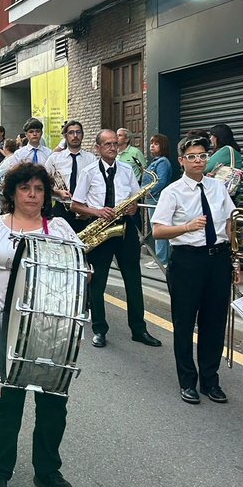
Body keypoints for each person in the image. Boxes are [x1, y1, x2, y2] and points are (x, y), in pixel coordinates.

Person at [0, 163, 81, 487]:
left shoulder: (59, 228)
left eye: (39, 189)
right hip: (2, 328)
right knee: (7, 404)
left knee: (52, 404)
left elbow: (78, 274)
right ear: (12, 192)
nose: (33, 195)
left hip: (51, 333)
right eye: (25, 188)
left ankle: (47, 471)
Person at [152, 132, 236, 405]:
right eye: (192, 157)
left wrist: (233, 256)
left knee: (214, 322)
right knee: (185, 322)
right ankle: (188, 380)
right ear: (181, 161)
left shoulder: (217, 187)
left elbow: (228, 222)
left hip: (218, 259)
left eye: (202, 156)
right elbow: (158, 231)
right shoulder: (172, 191)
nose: (198, 161)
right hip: (187, 260)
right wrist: (187, 227)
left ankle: (211, 381)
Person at [71, 129, 162, 349]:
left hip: (125, 229)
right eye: (108, 144)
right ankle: (100, 330)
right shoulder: (89, 171)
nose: (113, 147)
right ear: (98, 148)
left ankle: (139, 329)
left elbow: (135, 196)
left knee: (133, 280)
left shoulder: (127, 170)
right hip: (100, 228)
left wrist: (133, 207)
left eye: (115, 144)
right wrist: (97, 211)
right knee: (98, 281)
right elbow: (75, 204)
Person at [44, 120, 95, 231]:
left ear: (82, 135)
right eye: (71, 133)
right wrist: (57, 192)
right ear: (65, 136)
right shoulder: (54, 158)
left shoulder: (91, 159)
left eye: (78, 132)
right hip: (61, 210)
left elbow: (96, 186)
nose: (75, 136)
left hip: (84, 211)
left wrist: (89, 209)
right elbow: (41, 183)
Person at [145, 134, 173, 266]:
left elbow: (160, 181)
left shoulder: (163, 162)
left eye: (156, 144)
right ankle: (160, 258)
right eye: (151, 143)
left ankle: (162, 260)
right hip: (151, 199)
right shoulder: (156, 161)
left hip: (156, 200)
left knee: (158, 229)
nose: (152, 146)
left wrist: (150, 192)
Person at [205, 123, 243, 188]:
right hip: (231, 191)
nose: (210, 139)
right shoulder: (234, 150)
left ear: (218, 137)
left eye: (212, 136)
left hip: (222, 191)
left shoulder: (226, 150)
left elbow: (205, 168)